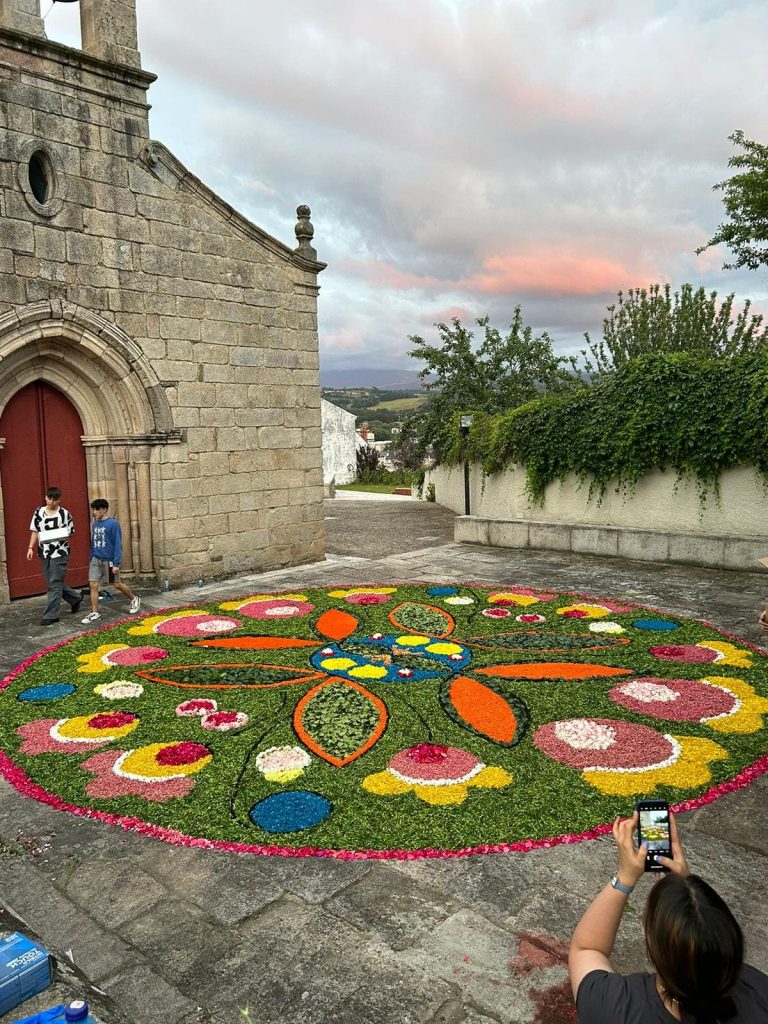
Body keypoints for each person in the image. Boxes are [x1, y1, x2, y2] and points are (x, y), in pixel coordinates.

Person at [569, 810, 768, 1022]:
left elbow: (586, 949)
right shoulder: (759, 992)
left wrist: (625, 878)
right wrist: (686, 889)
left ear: (653, 947)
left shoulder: (616, 1010)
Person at [27, 486, 82, 626]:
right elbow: (35, 531)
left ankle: (51, 614)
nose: (51, 502)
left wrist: (58, 534)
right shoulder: (38, 512)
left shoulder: (64, 514)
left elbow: (71, 531)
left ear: (59, 500)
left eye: (54, 499)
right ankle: (75, 598)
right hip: (44, 551)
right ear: (46, 498)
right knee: (50, 581)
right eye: (49, 498)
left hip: (60, 551)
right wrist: (30, 548)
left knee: (55, 582)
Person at [81, 498, 141, 624]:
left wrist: (116, 563)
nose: (95, 512)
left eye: (97, 509)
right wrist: (91, 557)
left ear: (105, 509)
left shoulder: (113, 524)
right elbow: (93, 541)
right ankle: (95, 612)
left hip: (109, 560)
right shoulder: (95, 524)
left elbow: (118, 544)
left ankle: (134, 598)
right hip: (96, 559)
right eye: (94, 509)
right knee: (93, 585)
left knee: (116, 584)